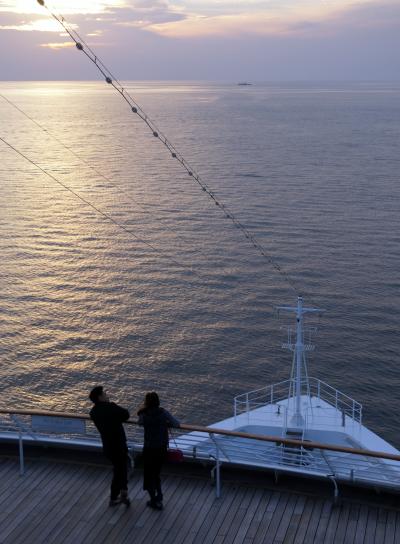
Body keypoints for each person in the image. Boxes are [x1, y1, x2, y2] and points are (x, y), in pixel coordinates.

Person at [89, 386, 131, 507]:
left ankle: (124, 492)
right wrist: (112, 405)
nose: (107, 395)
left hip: (108, 446)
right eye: (105, 394)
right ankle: (116, 496)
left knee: (120, 469)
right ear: (100, 397)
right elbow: (126, 415)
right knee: (119, 470)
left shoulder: (93, 412)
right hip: (119, 445)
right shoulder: (111, 407)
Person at [138, 392, 180, 510]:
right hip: (161, 449)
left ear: (146, 402)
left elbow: (140, 423)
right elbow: (176, 424)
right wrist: (165, 423)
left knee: (148, 475)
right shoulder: (163, 413)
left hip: (149, 449)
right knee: (156, 474)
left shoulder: (144, 414)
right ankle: (159, 496)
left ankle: (153, 499)